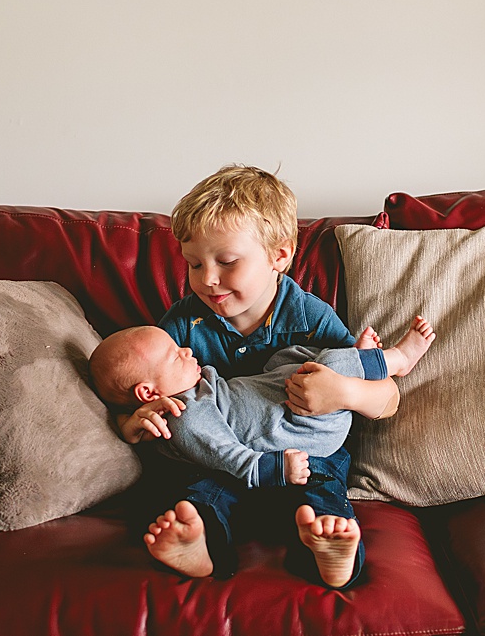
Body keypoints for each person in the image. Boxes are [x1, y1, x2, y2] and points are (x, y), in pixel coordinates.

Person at [110, 164, 407, 588]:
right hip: (228, 460)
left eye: (227, 262)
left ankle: (330, 550)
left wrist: (342, 391)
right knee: (199, 489)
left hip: (306, 451)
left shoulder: (308, 316)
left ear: (280, 255)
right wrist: (132, 423)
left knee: (322, 490)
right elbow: (141, 392)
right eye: (194, 265)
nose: (208, 280)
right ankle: (201, 545)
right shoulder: (181, 326)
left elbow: (387, 398)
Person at [92, 318, 434, 587]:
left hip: (291, 428)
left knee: (211, 494)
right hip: (292, 443)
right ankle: (396, 359)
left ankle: (215, 542)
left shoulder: (193, 390)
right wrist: (268, 469)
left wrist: (127, 423)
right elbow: (222, 452)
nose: (185, 350)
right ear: (148, 391)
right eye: (173, 355)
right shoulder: (184, 411)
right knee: (318, 497)